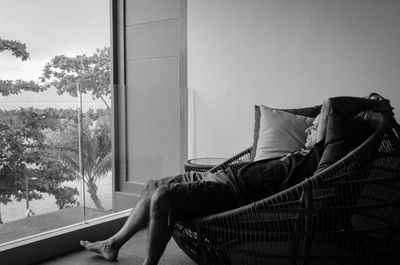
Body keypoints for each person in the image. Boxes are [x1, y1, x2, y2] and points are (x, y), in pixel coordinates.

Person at [80, 96, 392, 265]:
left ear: (326, 136)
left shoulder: (316, 159)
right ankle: (113, 243)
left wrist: (373, 106)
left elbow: (332, 105)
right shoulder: (302, 152)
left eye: (316, 128)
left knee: (162, 197)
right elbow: (325, 109)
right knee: (151, 186)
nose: (311, 128)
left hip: (231, 190)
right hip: (225, 175)